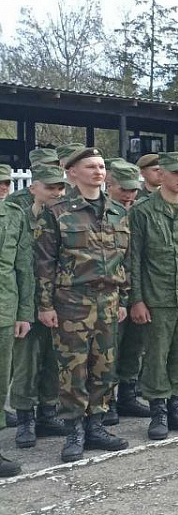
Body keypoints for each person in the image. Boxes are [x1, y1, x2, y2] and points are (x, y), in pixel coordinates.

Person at [34, 147, 131, 463]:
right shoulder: (57, 212)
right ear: (72, 172)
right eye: (91, 167)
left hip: (109, 300)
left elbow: (125, 260)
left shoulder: (117, 211)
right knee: (73, 368)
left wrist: (123, 299)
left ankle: (96, 426)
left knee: (104, 366)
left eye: (101, 167)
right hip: (71, 302)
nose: (98, 172)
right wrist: (45, 306)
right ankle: (74, 430)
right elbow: (45, 263)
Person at [127, 152, 178, 440]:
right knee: (156, 356)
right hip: (157, 297)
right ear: (161, 175)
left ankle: (177, 406)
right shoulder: (142, 211)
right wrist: (137, 299)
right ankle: (158, 411)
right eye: (176, 173)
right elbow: (134, 259)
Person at [9, 164, 68, 451]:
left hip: (61, 300)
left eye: (60, 188)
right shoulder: (20, 218)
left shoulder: (66, 218)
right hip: (29, 302)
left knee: (54, 360)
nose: (56, 193)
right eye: (50, 188)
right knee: (26, 363)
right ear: (33, 188)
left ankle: (48, 412)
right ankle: (25, 419)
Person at [106, 161, 152, 424]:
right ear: (110, 186)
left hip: (142, 290)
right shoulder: (103, 214)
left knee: (135, 346)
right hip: (115, 294)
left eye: (133, 190)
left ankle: (128, 395)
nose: (129, 195)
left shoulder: (141, 212)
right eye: (123, 189)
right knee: (110, 349)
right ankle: (108, 401)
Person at [0, 164, 34, 476]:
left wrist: (24, 312)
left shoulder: (13, 215)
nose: (2, 188)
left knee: (1, 380)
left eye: (5, 182)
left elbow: (23, 266)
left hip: (5, 308)